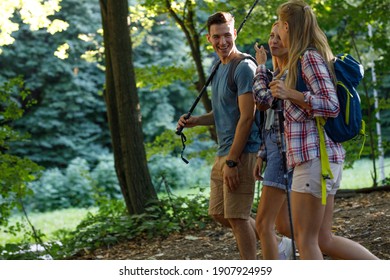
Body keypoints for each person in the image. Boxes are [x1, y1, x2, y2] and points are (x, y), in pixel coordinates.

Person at [269, 0, 379, 260]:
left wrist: (291, 93)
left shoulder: (308, 56)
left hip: (314, 160)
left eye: (280, 27)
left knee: (307, 241)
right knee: (322, 239)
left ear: (286, 26)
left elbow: (331, 105)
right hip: (320, 160)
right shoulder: (304, 57)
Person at [177, 11, 260, 260]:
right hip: (224, 150)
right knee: (219, 212)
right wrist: (195, 121)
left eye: (227, 35)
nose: (222, 42)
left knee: (237, 216)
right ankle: (274, 240)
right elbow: (222, 111)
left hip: (242, 151)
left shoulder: (244, 67)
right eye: (217, 37)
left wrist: (234, 161)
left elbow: (248, 116)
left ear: (234, 33)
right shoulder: (219, 68)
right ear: (208, 39)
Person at [252, 22, 294, 260]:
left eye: (279, 36)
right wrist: (261, 154)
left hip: (284, 154)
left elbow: (261, 99)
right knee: (285, 227)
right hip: (274, 152)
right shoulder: (276, 74)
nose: (273, 41)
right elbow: (268, 120)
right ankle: (299, 250)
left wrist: (259, 66)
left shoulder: (290, 73)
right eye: (271, 35)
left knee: (263, 224)